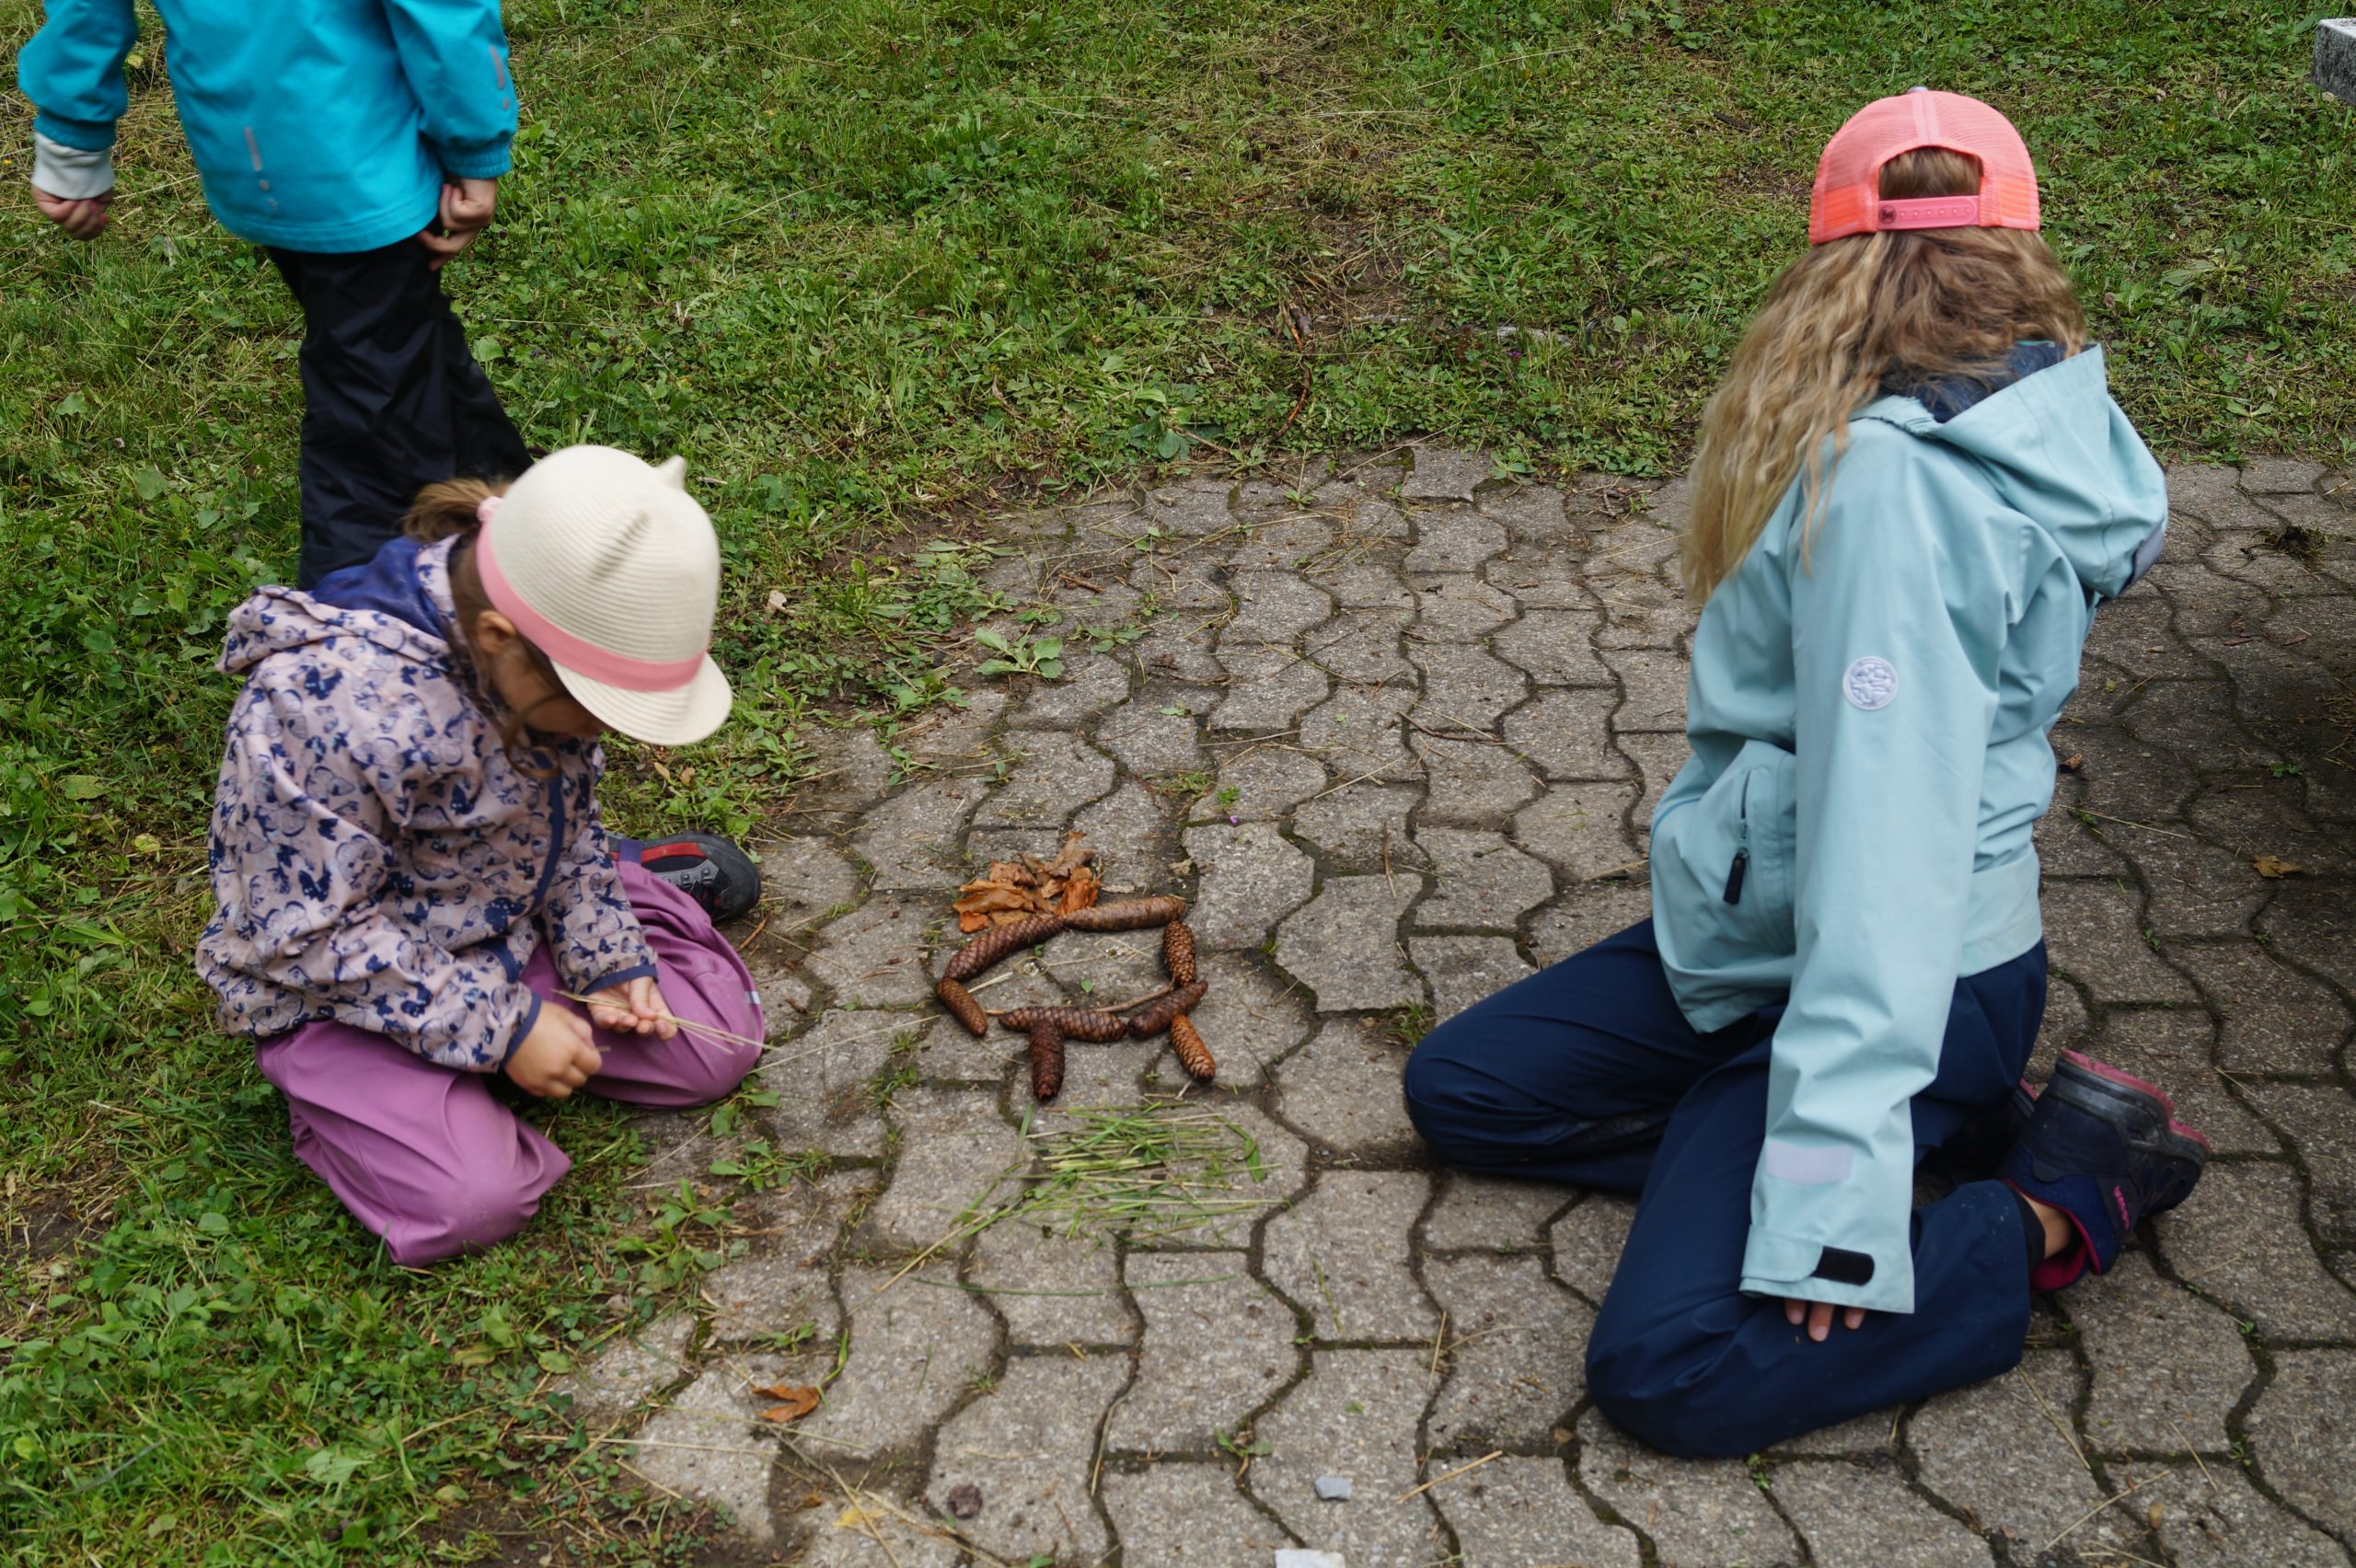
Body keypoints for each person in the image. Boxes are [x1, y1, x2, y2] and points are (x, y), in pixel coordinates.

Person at [1402, 90, 2209, 1458]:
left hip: (1895, 974)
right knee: (1468, 1090)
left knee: (1673, 1367)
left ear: (1830, 260)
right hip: (1777, 940)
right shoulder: (2042, 400)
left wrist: (1830, 1188)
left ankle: (2055, 1195)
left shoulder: (1896, 493)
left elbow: (1881, 862)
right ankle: (1921, 1135)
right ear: (2019, 245)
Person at [200, 445, 766, 1266]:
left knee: (715, 1050)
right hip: (342, 991)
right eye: (599, 709)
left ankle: (607, 926)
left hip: (502, 925)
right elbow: (303, 935)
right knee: (474, 1201)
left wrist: (607, 957)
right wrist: (505, 1027)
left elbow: (566, 826)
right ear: (500, 639)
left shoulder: (533, 660)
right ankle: (350, 1108)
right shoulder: (321, 709)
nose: (609, 731)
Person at [19, 0, 534, 588]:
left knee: (407, 345)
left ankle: (529, 527)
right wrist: (474, 144)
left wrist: (72, 141)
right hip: (358, 153)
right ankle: (349, 616)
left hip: (250, 146)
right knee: (373, 413)